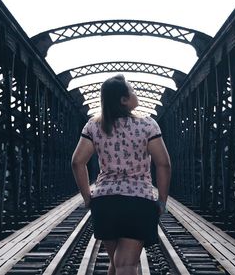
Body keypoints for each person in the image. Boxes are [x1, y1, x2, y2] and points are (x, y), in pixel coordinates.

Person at [71, 74, 171, 275]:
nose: (135, 93)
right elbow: (164, 164)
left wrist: (87, 197)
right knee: (127, 264)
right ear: (124, 100)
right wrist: (161, 200)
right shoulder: (147, 125)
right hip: (138, 201)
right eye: (132, 90)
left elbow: (77, 162)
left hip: (105, 201)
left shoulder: (93, 126)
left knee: (117, 263)